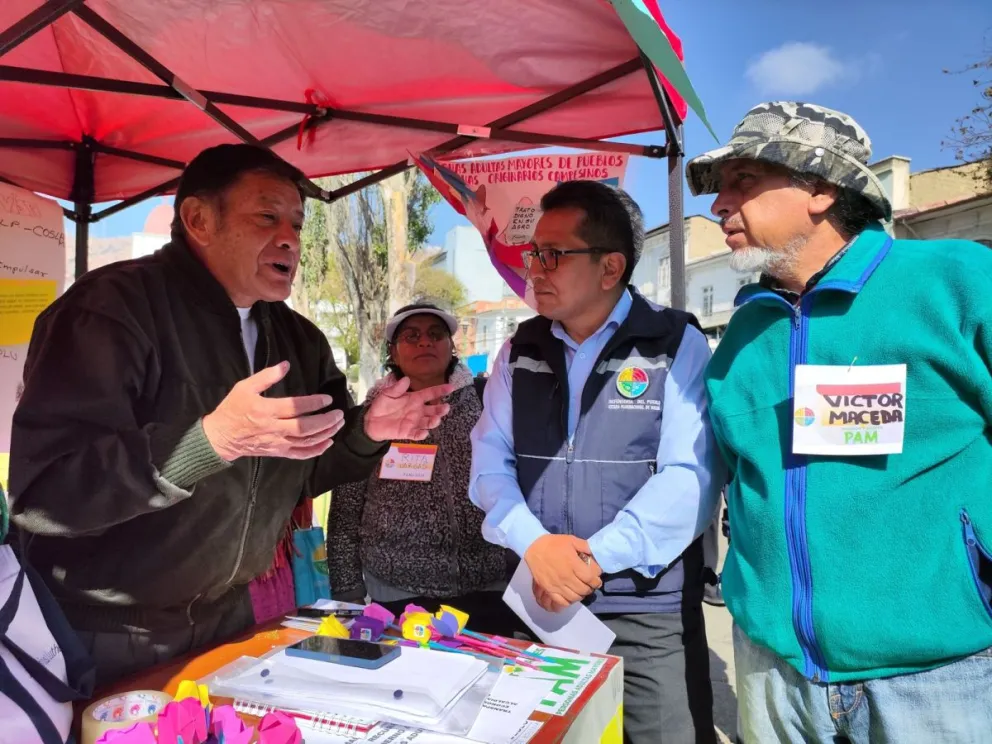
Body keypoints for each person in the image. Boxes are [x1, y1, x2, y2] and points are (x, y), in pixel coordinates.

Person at [8, 144, 452, 687]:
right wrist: (211, 440)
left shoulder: (297, 339)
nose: (290, 237)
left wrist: (367, 431)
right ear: (198, 219)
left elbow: (301, 471)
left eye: (296, 222)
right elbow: (45, 494)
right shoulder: (109, 310)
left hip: (230, 621)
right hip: (101, 633)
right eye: (267, 216)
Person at [688, 101, 992, 743]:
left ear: (821, 189)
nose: (720, 207)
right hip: (773, 673)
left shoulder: (958, 281)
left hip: (940, 678)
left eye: (743, 182)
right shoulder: (741, 334)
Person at [469, 180, 724, 744]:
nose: (533, 267)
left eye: (551, 254)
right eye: (532, 252)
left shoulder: (674, 342)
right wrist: (535, 548)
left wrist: (590, 561)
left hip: (645, 606)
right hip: (539, 598)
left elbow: (693, 478)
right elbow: (489, 463)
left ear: (610, 269)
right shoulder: (520, 348)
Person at [328, 303, 524, 636]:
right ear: (394, 350)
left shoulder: (486, 404)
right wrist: (347, 590)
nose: (424, 343)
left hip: (489, 588)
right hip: (398, 595)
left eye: (436, 335)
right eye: (411, 336)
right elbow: (345, 509)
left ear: (451, 347)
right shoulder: (371, 420)